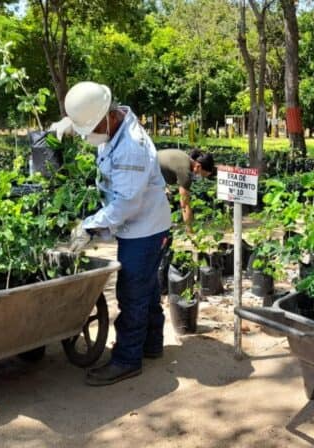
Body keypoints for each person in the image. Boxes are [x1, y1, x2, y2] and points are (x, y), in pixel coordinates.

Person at [51, 81, 172, 385]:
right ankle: (152, 344)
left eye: (89, 128)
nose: (88, 136)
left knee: (132, 292)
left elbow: (125, 205)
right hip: (148, 222)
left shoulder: (131, 147)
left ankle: (127, 359)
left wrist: (89, 225)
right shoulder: (113, 122)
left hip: (143, 228)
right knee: (147, 288)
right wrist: (70, 122)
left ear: (108, 118)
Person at [157, 148, 215, 231]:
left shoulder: (185, 157)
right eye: (202, 175)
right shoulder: (185, 171)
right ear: (198, 166)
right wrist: (190, 230)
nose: (200, 178)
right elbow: (184, 205)